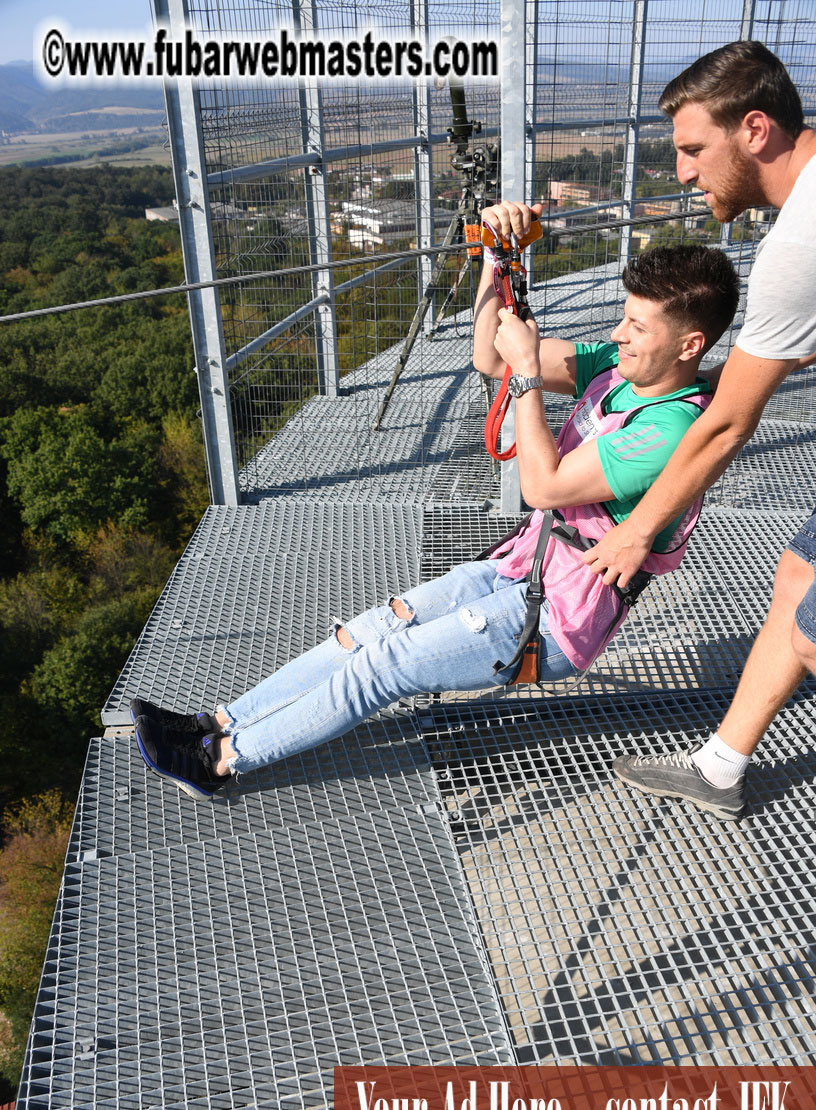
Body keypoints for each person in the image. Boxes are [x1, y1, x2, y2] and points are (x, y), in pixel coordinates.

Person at [130, 225, 739, 800]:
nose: (621, 333)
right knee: (367, 631)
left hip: (558, 614)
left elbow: (545, 486)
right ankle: (215, 722)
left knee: (385, 665)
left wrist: (528, 374)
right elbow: (491, 359)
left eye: (638, 324)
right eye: (623, 317)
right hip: (522, 568)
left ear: (690, 344)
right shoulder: (617, 368)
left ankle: (221, 760)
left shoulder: (668, 428)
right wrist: (494, 262)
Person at [579, 41, 816, 821]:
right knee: (797, 580)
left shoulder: (797, 241)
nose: (682, 172)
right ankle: (721, 767)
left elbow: (724, 427)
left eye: (691, 148)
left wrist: (639, 530)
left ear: (754, 129)